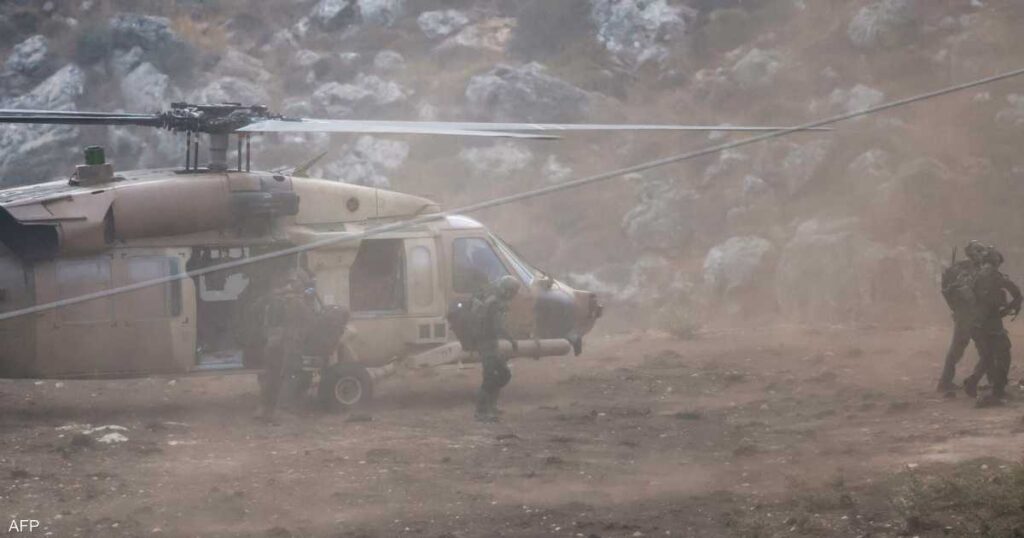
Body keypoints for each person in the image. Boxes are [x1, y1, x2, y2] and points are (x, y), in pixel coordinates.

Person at [255, 268, 317, 421]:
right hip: (290, 344)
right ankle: (283, 411)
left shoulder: (275, 298)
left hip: (272, 342)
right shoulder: (297, 301)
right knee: (291, 375)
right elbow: (311, 322)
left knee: (272, 376)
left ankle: (263, 409)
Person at [962, 247, 1021, 406]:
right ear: (996, 262)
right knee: (1004, 353)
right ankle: (998, 390)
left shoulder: (976, 275)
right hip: (991, 324)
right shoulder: (996, 276)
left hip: (975, 323)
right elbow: (1015, 292)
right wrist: (1011, 306)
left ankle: (972, 382)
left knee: (987, 356)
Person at [937, 240, 987, 393]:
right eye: (979, 250)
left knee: (987, 349)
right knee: (958, 348)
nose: (982, 253)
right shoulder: (963, 269)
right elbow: (959, 292)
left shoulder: (981, 268)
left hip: (976, 315)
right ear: (971, 253)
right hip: (965, 314)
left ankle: (989, 381)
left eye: (982, 250)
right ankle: (945, 382)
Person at [473, 275, 521, 423]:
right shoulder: (495, 304)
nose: (513, 295)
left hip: (490, 343)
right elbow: (497, 326)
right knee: (490, 378)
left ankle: (491, 406)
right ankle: (481, 412)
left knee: (503, 374)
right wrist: (511, 339)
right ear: (508, 291)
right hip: (487, 344)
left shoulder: (493, 301)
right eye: (513, 292)